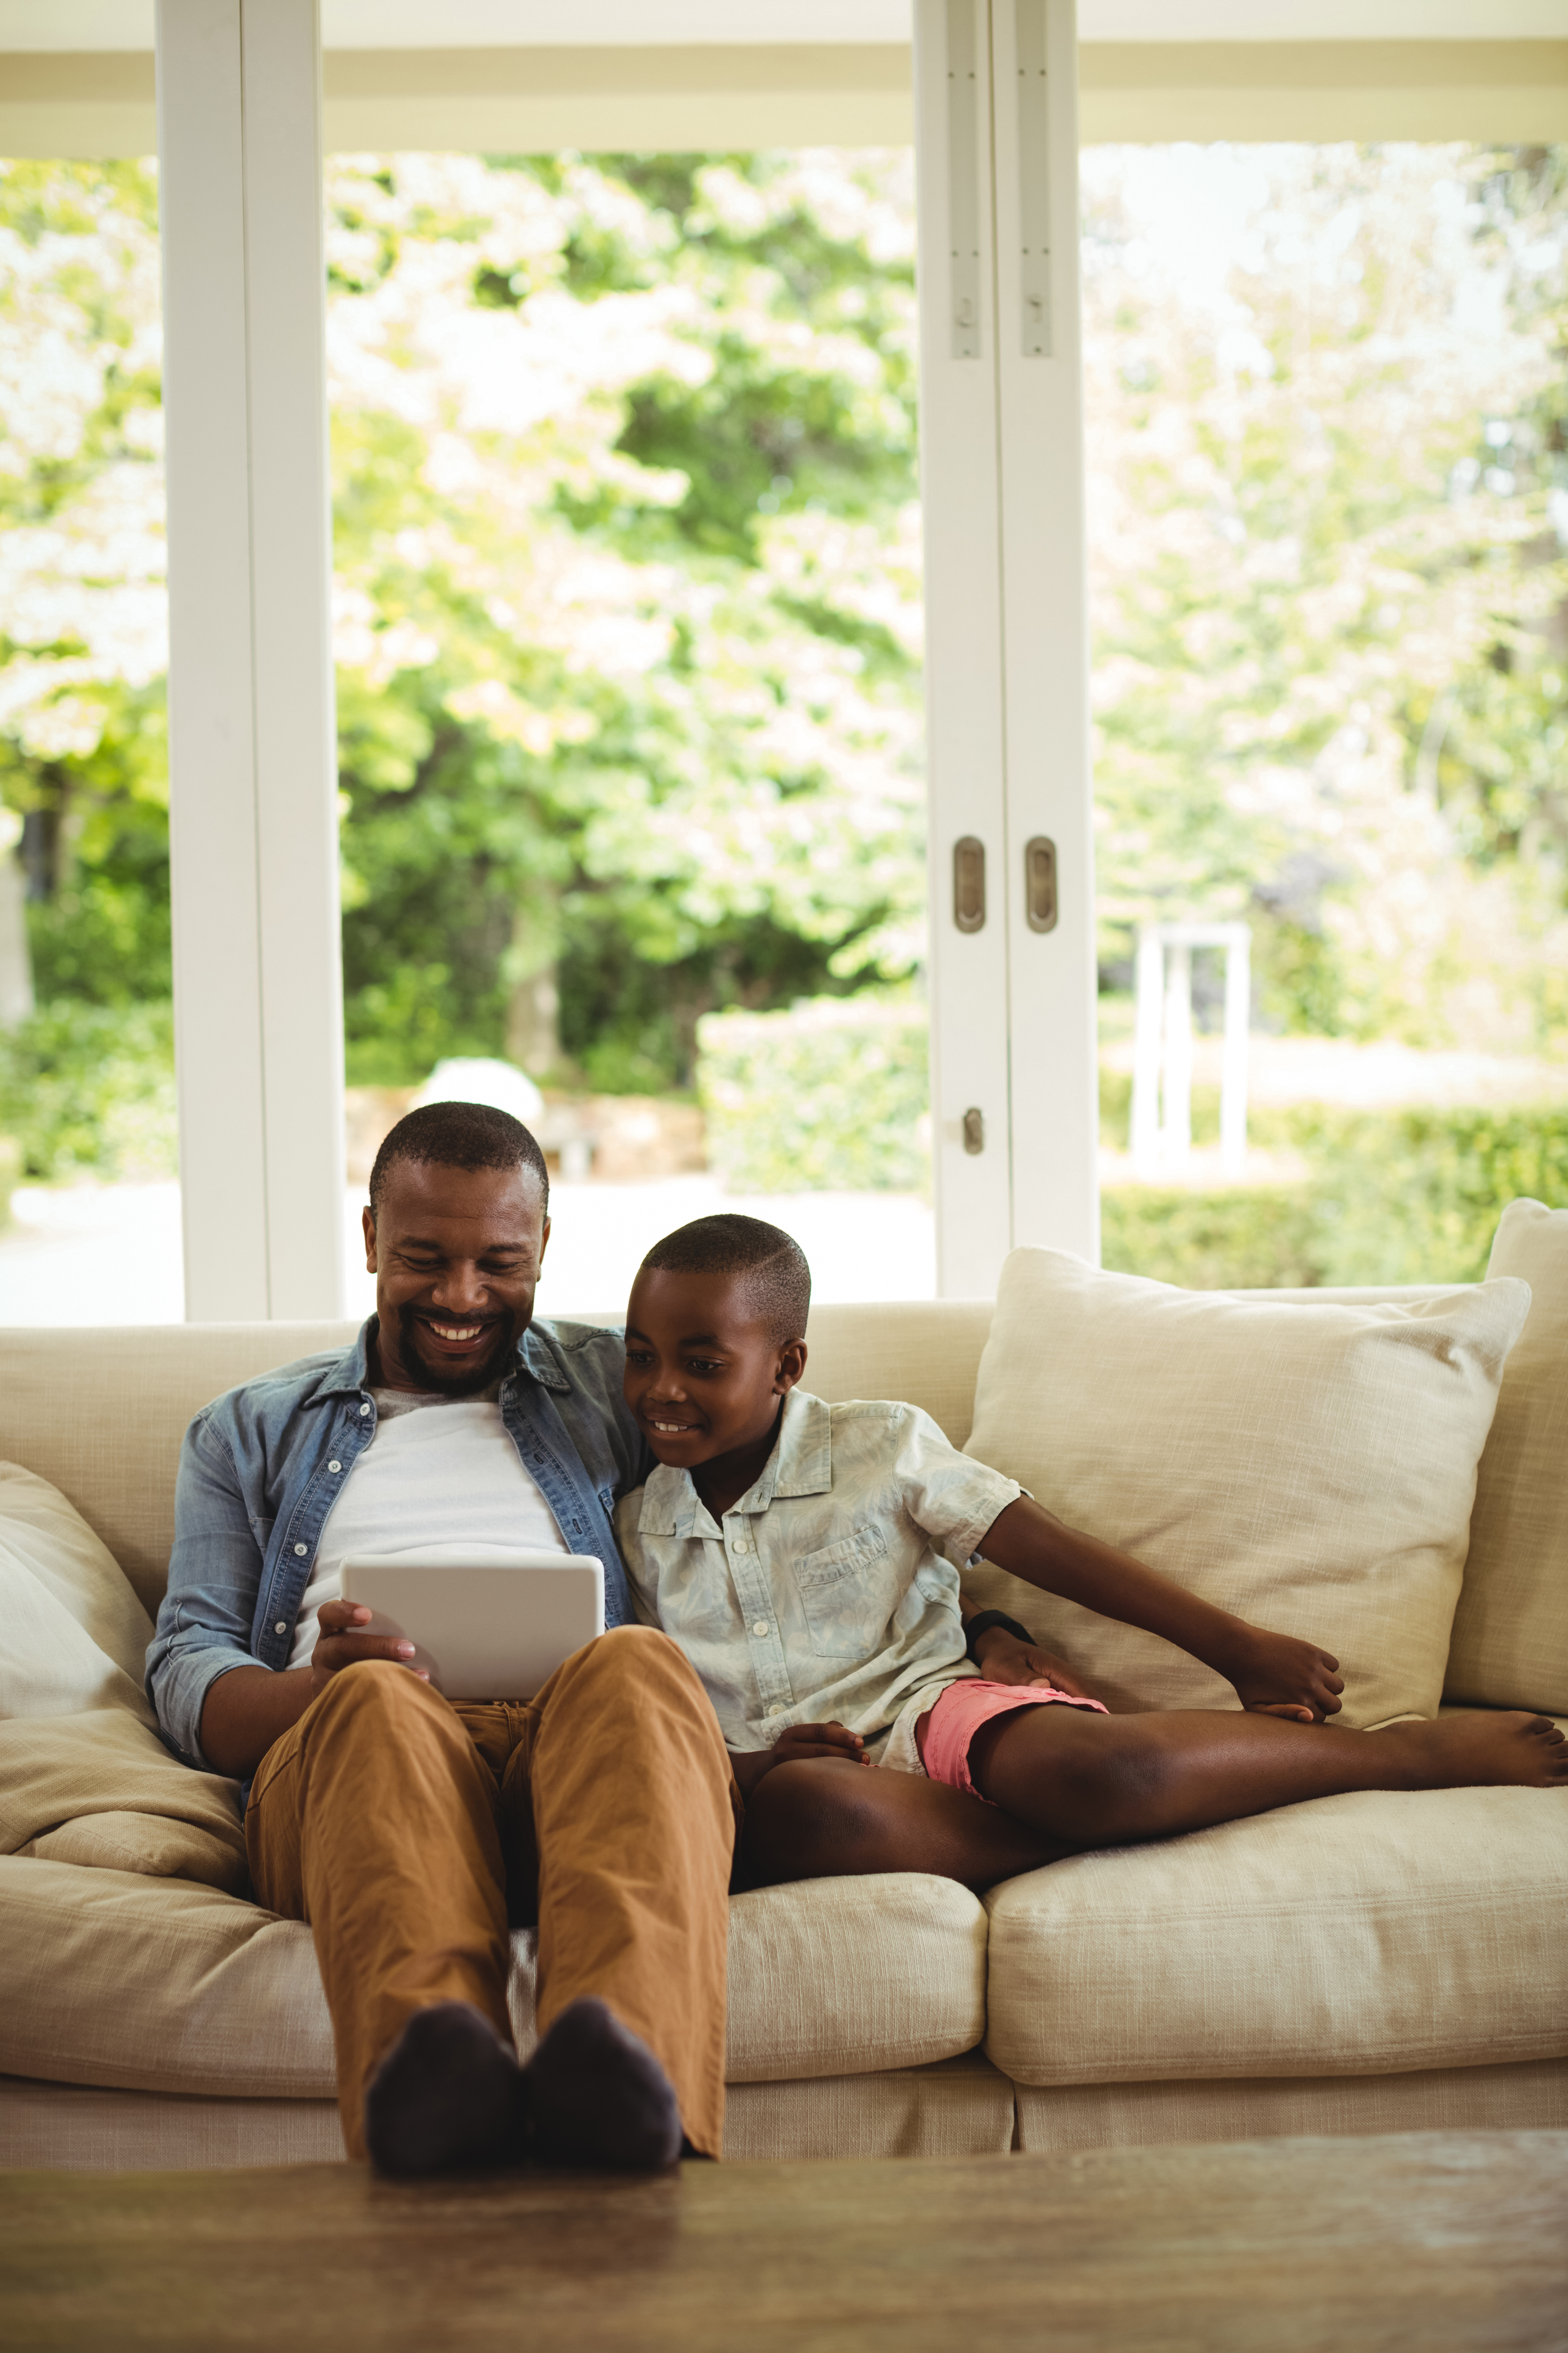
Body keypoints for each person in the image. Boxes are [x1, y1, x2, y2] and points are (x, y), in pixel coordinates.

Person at [616, 1214, 1567, 1895]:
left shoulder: (879, 1445)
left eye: (703, 1363)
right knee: (810, 1810)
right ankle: (1094, 1839)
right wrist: (747, 1763)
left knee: (1109, 1774)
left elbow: (1048, 1548)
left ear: (787, 1364)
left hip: (938, 1706)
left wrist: (1234, 1646)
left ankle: (1392, 1756)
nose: (662, 1388)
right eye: (640, 1354)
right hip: (806, 1776)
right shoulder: (633, 1526)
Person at [149, 1102, 744, 2179]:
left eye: (500, 1262)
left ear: (546, 1247)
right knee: (377, 1704)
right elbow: (187, 1666)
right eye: (424, 1257)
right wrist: (314, 1689)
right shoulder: (246, 1426)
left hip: (578, 1773)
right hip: (360, 1774)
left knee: (635, 1658)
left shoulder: (622, 1385)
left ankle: (620, 2085)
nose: (464, 1297)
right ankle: (434, 2082)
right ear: (371, 1236)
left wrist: (984, 1623)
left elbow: (819, 1492)